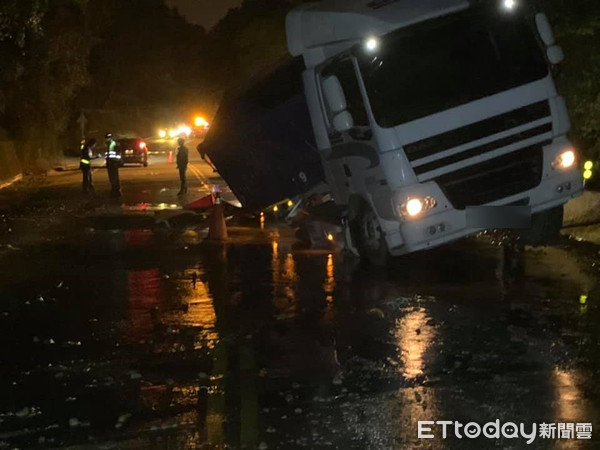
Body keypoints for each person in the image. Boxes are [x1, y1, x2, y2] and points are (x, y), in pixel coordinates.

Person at [105, 132, 122, 198]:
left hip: (113, 163)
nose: (107, 139)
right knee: (112, 177)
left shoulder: (113, 144)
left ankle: (116, 189)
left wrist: (117, 161)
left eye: (108, 138)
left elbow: (117, 154)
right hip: (110, 162)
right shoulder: (109, 144)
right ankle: (114, 188)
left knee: (114, 176)